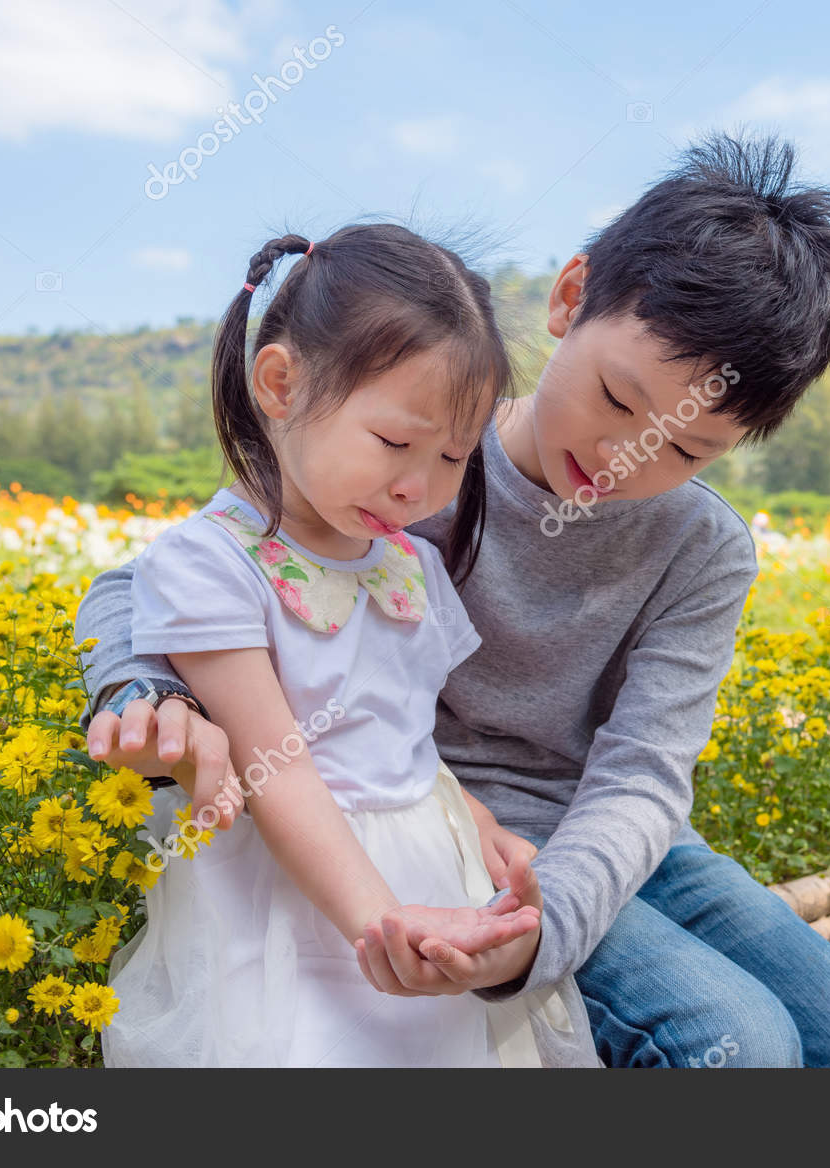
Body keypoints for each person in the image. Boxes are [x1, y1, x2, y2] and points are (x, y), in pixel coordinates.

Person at [79, 134, 830, 1068]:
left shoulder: (700, 548)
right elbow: (148, 581)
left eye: (689, 450)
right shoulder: (415, 461)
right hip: (442, 831)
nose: (629, 457)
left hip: (612, 846)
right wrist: (148, 693)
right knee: (736, 1044)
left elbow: (644, 777)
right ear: (570, 296)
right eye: (620, 400)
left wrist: (552, 928)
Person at [100, 223, 598, 1067]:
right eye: (396, 443)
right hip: (292, 897)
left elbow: (405, 744)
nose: (421, 487)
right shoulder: (212, 563)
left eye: (451, 457)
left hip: (427, 879)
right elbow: (276, 770)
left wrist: (479, 826)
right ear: (280, 384)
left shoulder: (411, 566)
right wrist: (379, 920)